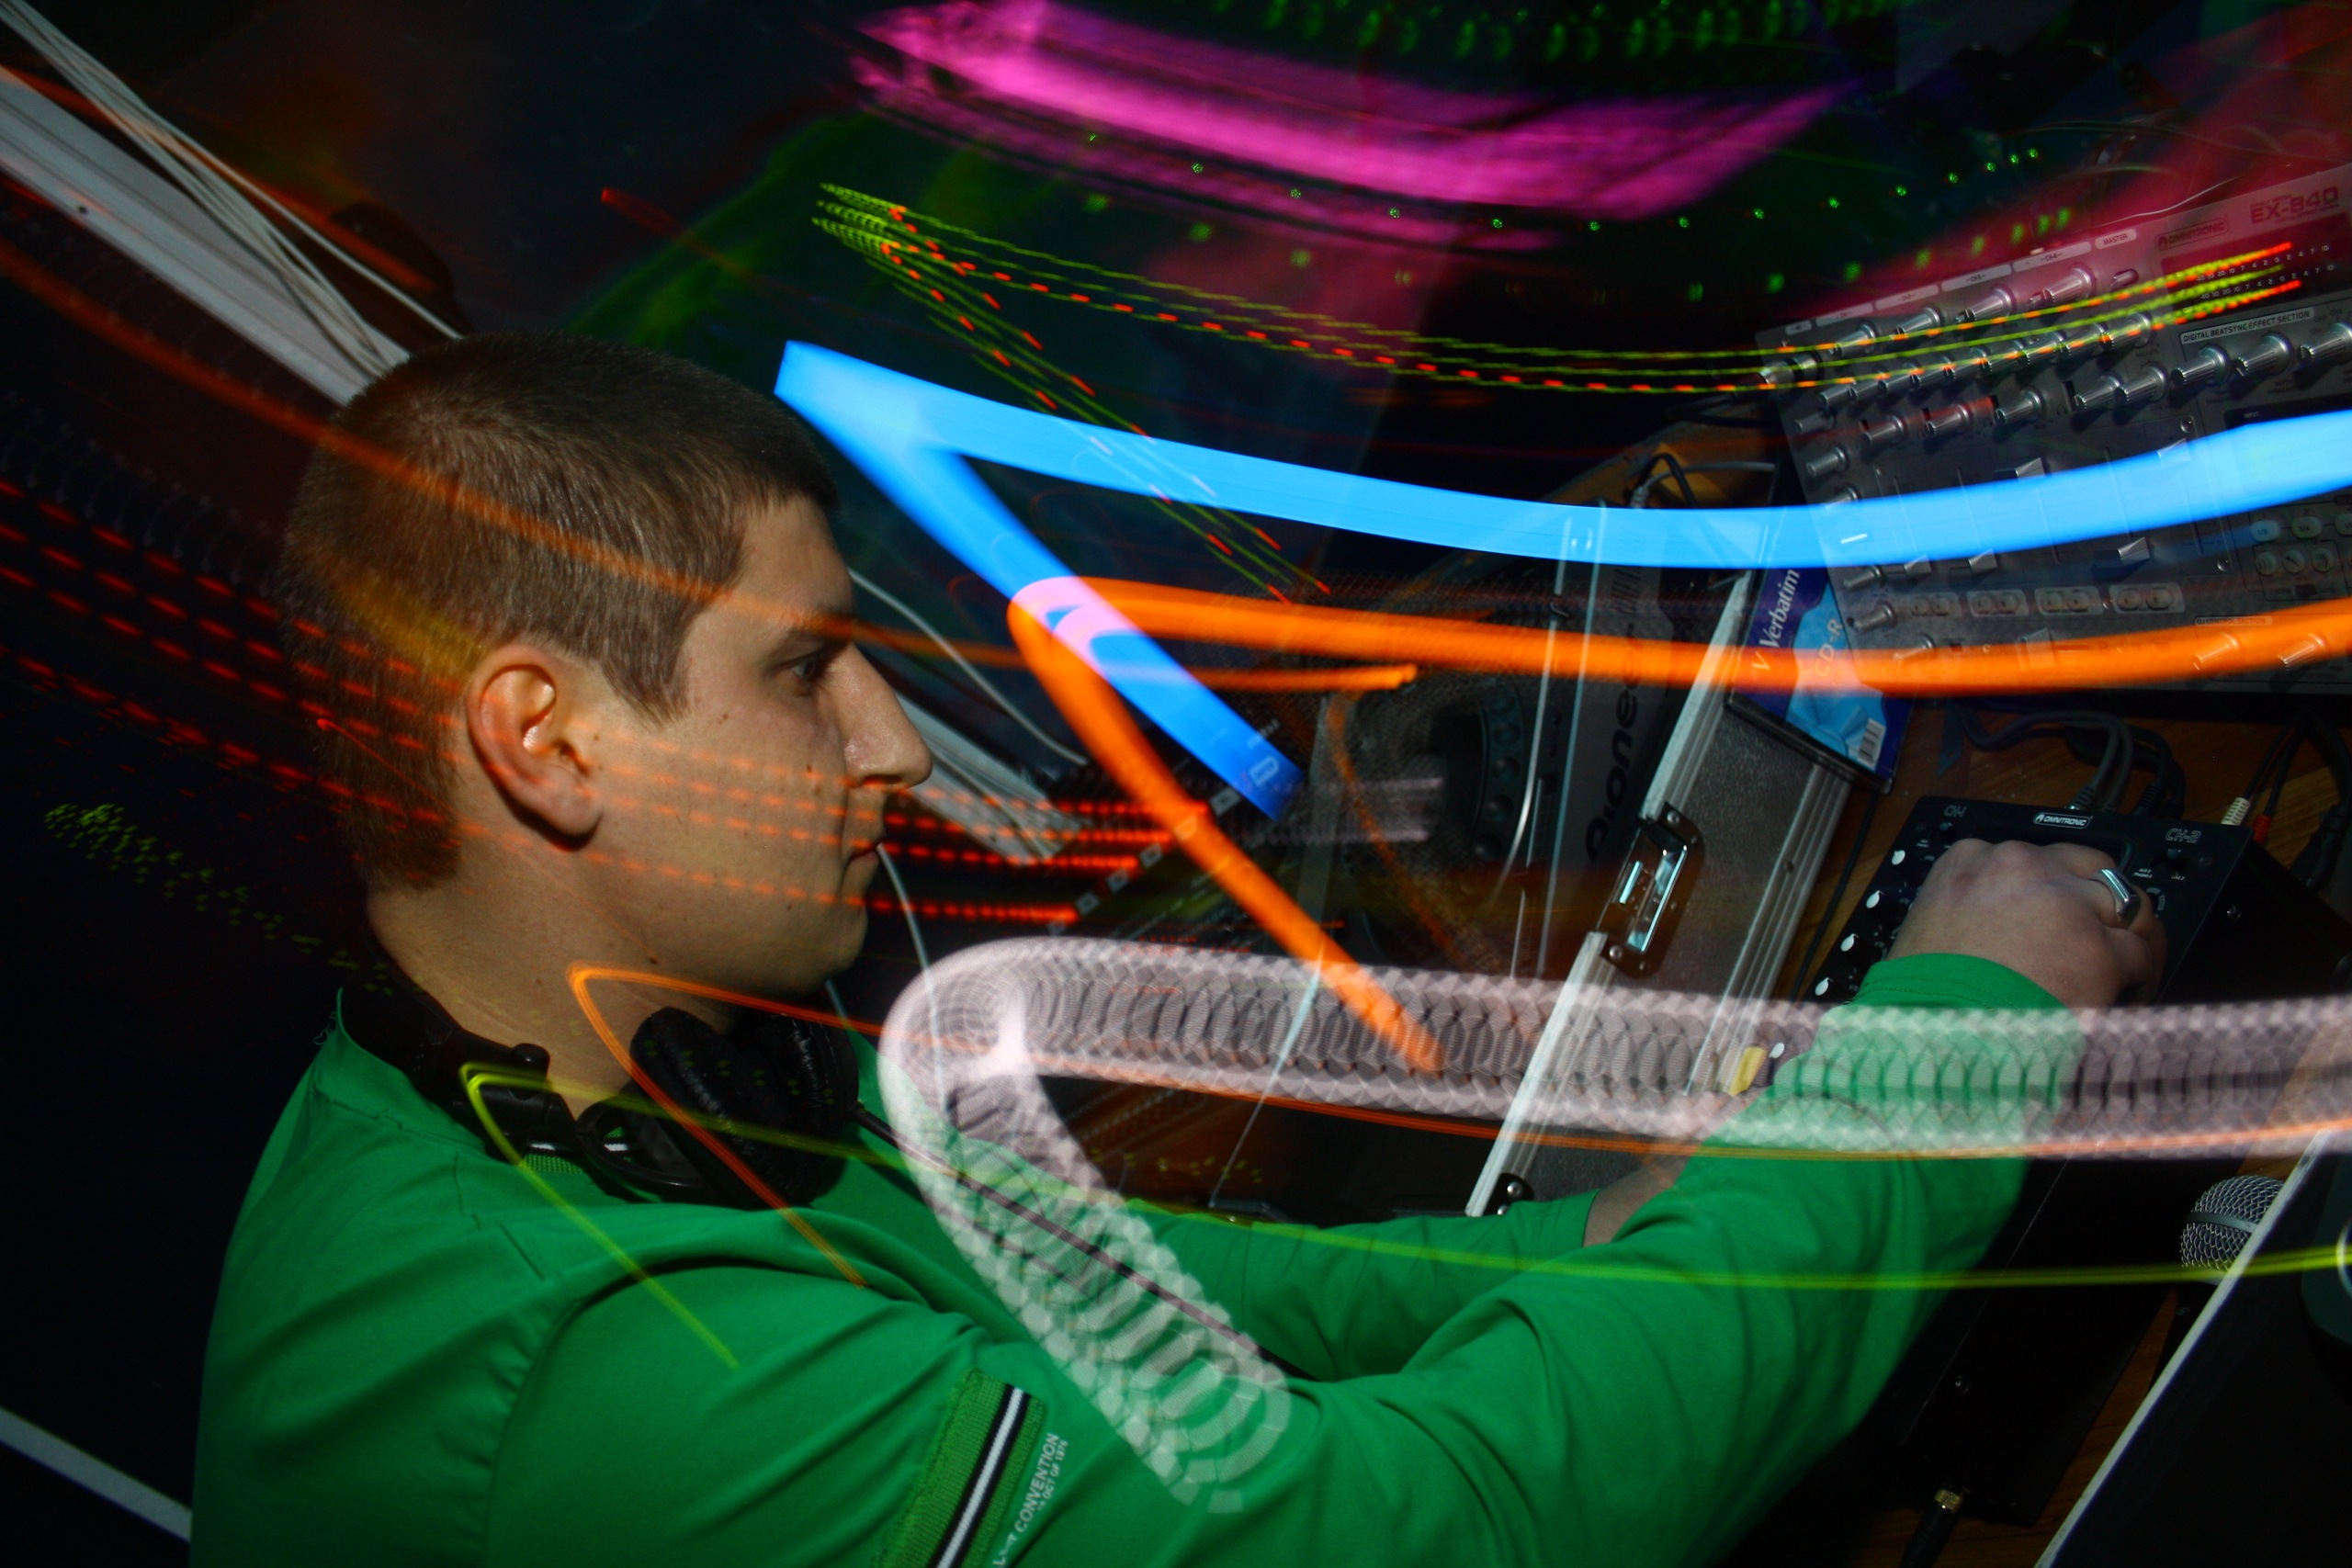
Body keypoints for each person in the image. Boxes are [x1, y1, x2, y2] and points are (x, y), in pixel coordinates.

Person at [189, 331, 2165, 1567]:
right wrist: (1956, 1028)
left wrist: (1601, 1232)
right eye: (802, 671)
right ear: (546, 741)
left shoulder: (582, 1092)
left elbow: (1171, 1288)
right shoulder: (599, 1376)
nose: (894, 747)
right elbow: (1465, 1523)